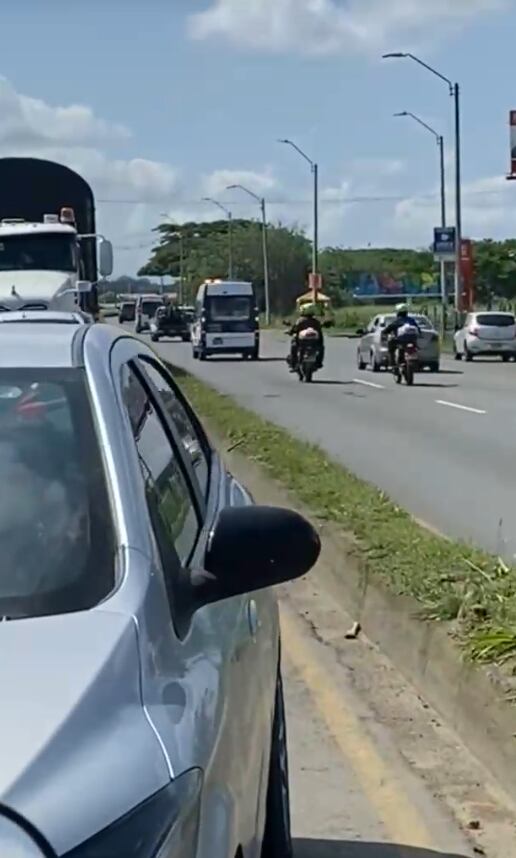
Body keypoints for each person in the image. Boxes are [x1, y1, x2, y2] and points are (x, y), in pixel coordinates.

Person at [287, 303, 324, 371]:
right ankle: (318, 362)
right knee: (321, 347)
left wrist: (290, 332)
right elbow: (319, 331)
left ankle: (294, 363)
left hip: (303, 343)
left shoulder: (300, 320)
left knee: (294, 346)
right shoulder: (316, 321)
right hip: (312, 344)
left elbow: (294, 329)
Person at [383, 303, 421, 369]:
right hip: (412, 340)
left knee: (391, 346)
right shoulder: (411, 320)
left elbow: (388, 329)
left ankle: (392, 364)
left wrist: (384, 332)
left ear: (398, 312)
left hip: (400, 341)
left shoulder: (397, 321)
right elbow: (418, 329)